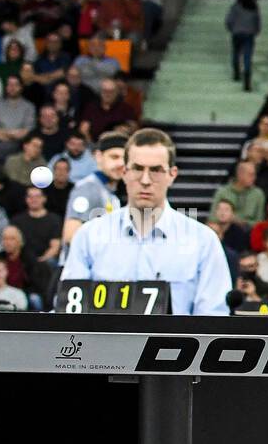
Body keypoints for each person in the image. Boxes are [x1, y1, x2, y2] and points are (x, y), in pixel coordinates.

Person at [60, 128, 231, 314]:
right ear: (124, 172)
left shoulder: (203, 241)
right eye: (138, 168)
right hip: (103, 343)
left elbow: (213, 318)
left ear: (172, 174)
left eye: (156, 170)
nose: (145, 180)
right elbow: (69, 315)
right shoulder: (89, 236)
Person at [225, 0, 260, 92]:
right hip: (249, 34)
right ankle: (247, 83)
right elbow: (257, 21)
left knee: (236, 54)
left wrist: (231, 28)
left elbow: (229, 20)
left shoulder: (236, 6)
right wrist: (256, 30)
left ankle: (236, 73)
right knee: (247, 58)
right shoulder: (254, 7)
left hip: (237, 33)